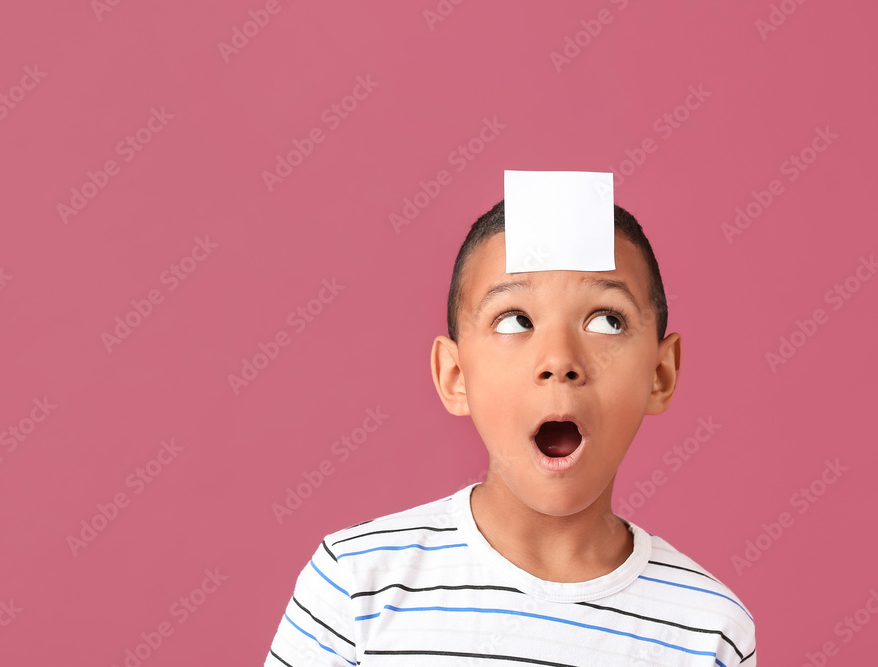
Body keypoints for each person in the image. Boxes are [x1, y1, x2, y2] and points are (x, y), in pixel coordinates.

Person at [264, 199, 757, 665]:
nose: (560, 360)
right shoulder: (356, 583)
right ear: (455, 376)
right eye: (516, 319)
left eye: (607, 321)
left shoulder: (709, 629)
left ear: (660, 374)